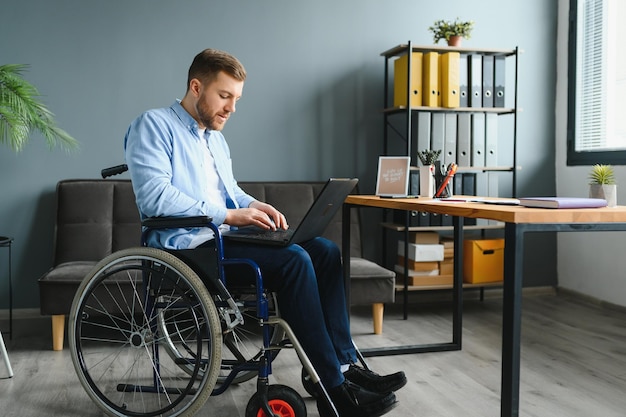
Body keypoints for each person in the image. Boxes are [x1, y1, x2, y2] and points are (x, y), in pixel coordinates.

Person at [124, 48, 406, 417]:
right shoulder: (153, 125)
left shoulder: (214, 139)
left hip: (222, 240)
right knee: (293, 262)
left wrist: (255, 205)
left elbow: (230, 190)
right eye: (225, 96)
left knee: (323, 250)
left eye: (236, 99)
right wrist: (231, 215)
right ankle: (334, 392)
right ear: (196, 86)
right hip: (189, 249)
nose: (231, 108)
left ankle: (344, 366)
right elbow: (155, 196)